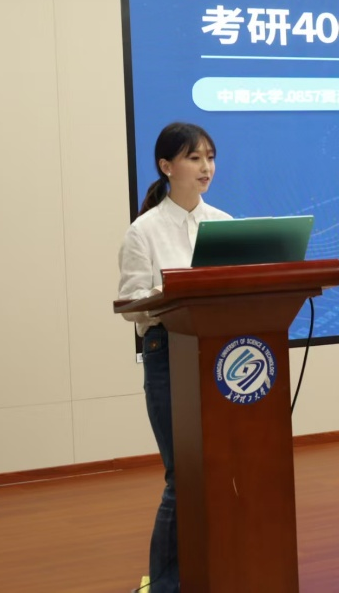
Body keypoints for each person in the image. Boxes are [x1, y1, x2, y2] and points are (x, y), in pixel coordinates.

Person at [117, 121, 231, 592]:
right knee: (182, 477)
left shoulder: (224, 224)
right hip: (169, 355)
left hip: (222, 358)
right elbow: (130, 306)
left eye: (210, 157)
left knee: (222, 471)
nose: (206, 167)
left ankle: (219, 571)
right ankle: (165, 586)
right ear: (167, 166)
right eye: (194, 158)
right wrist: (173, 294)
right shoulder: (143, 231)